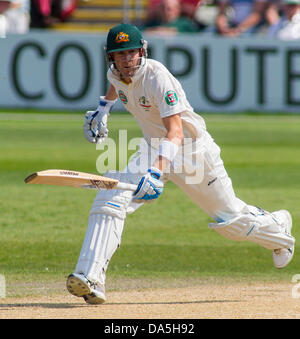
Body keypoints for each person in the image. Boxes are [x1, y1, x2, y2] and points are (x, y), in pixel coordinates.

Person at [66, 23, 295, 304]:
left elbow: (174, 132)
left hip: (192, 152)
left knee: (231, 222)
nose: (126, 60)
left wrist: (154, 173)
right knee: (111, 196)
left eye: (131, 53)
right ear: (110, 57)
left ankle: (279, 230)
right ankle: (90, 279)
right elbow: (115, 85)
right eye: (119, 54)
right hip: (153, 149)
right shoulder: (115, 74)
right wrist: (104, 108)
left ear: (142, 51)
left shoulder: (156, 76)